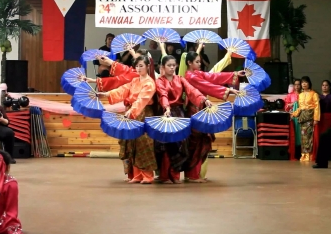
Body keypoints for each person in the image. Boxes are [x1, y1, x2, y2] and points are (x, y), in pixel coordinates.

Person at [178, 46, 245, 182]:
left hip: (201, 108)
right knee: (196, 142)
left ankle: (196, 174)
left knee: (201, 141)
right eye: (197, 62)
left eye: (200, 61)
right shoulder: (190, 76)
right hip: (195, 110)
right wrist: (228, 91)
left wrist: (235, 74)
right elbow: (208, 86)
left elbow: (212, 76)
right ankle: (192, 175)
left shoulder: (196, 73)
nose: (200, 63)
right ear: (189, 63)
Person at [98, 55, 157, 184]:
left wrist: (132, 111)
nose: (138, 68)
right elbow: (122, 90)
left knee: (143, 143)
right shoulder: (135, 81)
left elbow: (142, 99)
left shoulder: (149, 82)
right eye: (137, 66)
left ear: (148, 66)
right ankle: (136, 175)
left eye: (141, 65)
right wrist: (107, 94)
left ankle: (147, 175)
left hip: (143, 113)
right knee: (131, 142)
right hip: (131, 112)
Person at [155, 55, 212, 184]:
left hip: (179, 114)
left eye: (173, 65)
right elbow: (163, 94)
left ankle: (174, 176)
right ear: (163, 67)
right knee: (165, 145)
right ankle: (164, 175)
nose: (171, 67)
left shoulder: (180, 79)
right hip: (166, 113)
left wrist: (204, 99)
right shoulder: (160, 81)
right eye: (169, 65)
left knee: (180, 144)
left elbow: (192, 91)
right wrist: (166, 108)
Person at [291, 76, 320, 162]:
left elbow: (317, 107)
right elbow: (300, 107)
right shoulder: (300, 95)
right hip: (302, 117)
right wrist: (294, 114)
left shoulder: (314, 94)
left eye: (305, 82)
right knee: (303, 137)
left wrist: (316, 119)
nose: (303, 84)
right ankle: (303, 155)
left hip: (310, 116)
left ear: (309, 83)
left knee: (309, 136)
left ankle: (309, 155)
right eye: (302, 82)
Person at [284, 79, 302, 160]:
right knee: (294, 135)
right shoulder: (290, 95)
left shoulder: (303, 94)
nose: (297, 86)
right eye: (295, 84)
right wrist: (292, 104)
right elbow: (286, 107)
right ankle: (294, 153)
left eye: (298, 84)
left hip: (302, 117)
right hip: (293, 118)